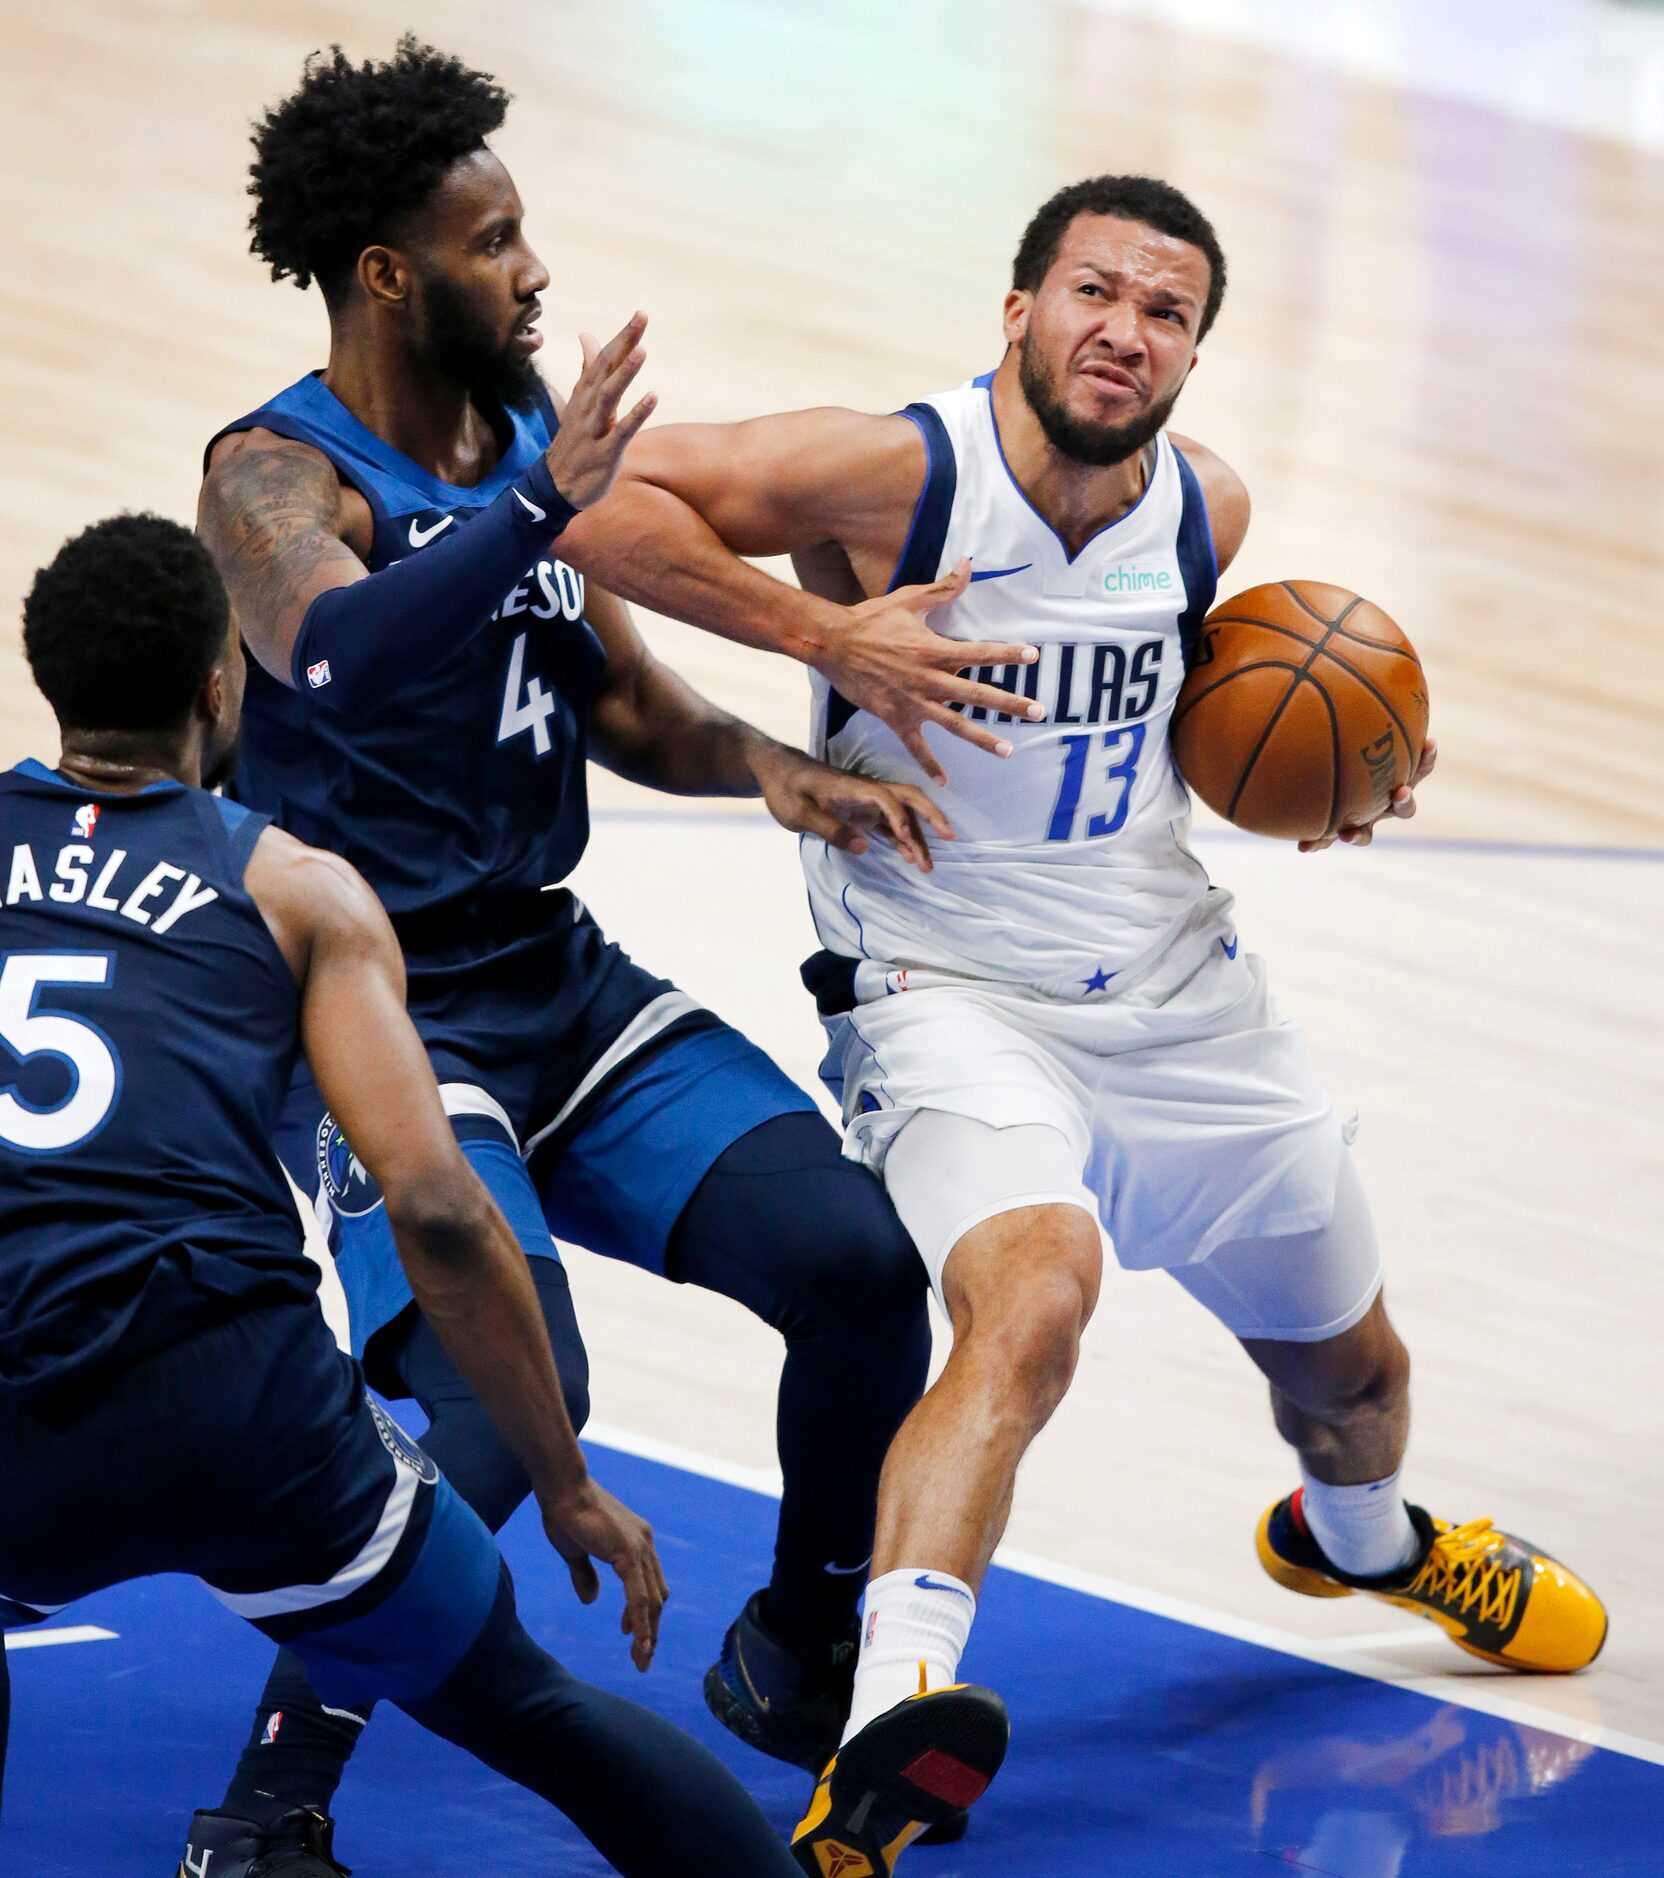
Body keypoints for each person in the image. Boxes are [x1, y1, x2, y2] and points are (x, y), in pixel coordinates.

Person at [567, 172, 1611, 1873]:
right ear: (1019, 309)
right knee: (1033, 1297)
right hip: (946, 997)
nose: (1124, 331)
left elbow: (1202, 716)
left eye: (1166, 309)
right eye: (1094, 292)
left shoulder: (1208, 509)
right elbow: (593, 498)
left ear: (1197, 345)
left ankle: (1361, 1538)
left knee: (1355, 1381)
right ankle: (890, 1721)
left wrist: (1345, 778)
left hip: (1186, 1004)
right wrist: (820, 633)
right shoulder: (896, 474)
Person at [189, 40, 1016, 1869]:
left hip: (556, 977)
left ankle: (799, 1650)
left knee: (858, 1261)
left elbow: (623, 702)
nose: (534, 268)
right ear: (389, 273)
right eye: (494, 240)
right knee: (500, 1388)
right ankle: (264, 1810)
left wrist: (770, 766)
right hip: (372, 1005)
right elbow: (338, 659)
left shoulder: (513, 454)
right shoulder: (270, 476)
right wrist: (534, 509)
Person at [0, 513, 808, 1878]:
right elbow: (433, 1206)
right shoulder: (292, 885)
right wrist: (563, 1479)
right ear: (219, 687)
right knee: (524, 1703)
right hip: (230, 1400)